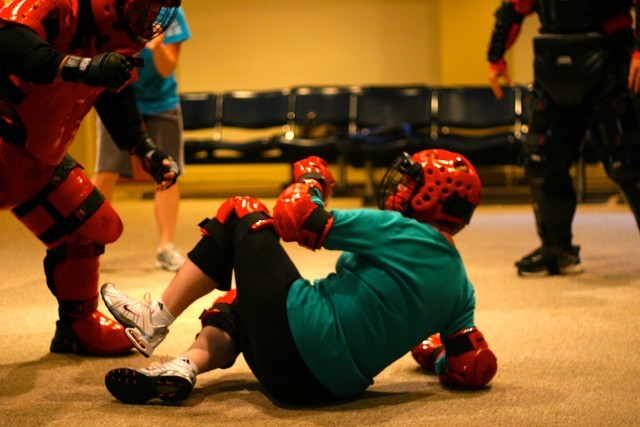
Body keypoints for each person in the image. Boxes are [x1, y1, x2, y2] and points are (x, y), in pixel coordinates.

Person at [100, 152, 498, 406]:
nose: (399, 189)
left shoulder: (401, 229)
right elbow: (474, 365)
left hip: (297, 339)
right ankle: (183, 368)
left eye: (410, 183)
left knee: (241, 211)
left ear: (429, 197)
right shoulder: (462, 289)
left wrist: (311, 181)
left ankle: (155, 318)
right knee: (240, 303)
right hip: (322, 392)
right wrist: (436, 355)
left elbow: (296, 218)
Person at [0, 0, 181, 356]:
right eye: (143, 6)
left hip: (35, 160)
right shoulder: (55, 5)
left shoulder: (113, 39)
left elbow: (115, 93)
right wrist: (82, 67)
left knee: (91, 225)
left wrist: (144, 148)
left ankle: (77, 328)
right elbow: (7, 40)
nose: (148, 18)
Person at [487, 0, 640, 276]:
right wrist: (495, 57)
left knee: (627, 163)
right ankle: (557, 248)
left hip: (612, 64)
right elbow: (513, 10)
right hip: (553, 69)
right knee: (541, 158)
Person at [92, 6, 191, 272]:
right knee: (105, 172)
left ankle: (166, 247)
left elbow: (167, 68)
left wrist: (156, 46)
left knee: (168, 171)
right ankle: (87, 243)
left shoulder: (171, 13)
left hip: (162, 102)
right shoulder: (112, 8)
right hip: (117, 97)